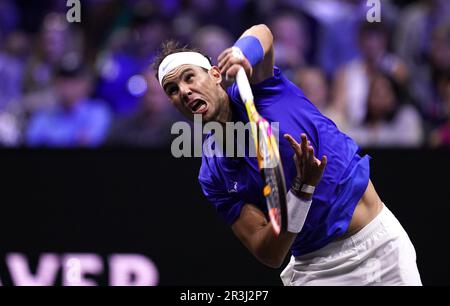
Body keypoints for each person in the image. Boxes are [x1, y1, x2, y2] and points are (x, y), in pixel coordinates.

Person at [153, 24, 422, 285]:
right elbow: (269, 253)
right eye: (173, 90)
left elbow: (263, 33)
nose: (185, 92)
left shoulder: (262, 87)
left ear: (214, 74)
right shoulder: (213, 174)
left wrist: (241, 53)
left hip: (380, 247)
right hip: (315, 271)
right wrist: (301, 192)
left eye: (189, 77)